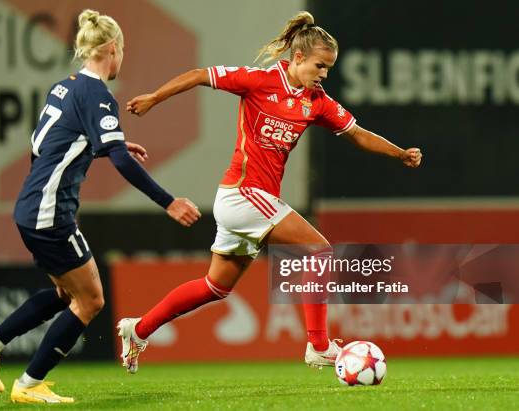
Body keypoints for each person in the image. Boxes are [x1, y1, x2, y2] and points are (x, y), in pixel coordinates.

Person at [117, 11, 422, 373]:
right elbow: (201, 74)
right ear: (298, 58)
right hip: (243, 193)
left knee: (215, 287)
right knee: (320, 251)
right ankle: (319, 345)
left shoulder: (316, 102)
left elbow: (357, 133)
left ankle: (137, 329)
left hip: (249, 203)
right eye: (320, 66)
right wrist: (154, 97)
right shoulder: (259, 81)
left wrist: (399, 152)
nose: (324, 74)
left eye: (328, 68)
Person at [0, 9, 201, 404]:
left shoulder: (64, 87)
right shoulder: (97, 95)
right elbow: (121, 162)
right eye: (122, 50)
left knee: (63, 294)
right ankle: (29, 384)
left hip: (30, 206)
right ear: (112, 48)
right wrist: (168, 201)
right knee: (90, 301)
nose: (122, 57)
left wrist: (107, 147)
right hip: (50, 213)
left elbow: (45, 145)